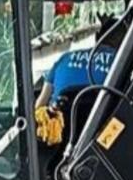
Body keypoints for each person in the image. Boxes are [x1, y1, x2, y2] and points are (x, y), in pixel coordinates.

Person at [34, 15, 127, 146]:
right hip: (100, 141)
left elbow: (39, 106)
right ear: (125, 42)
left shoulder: (65, 58)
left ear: (98, 37)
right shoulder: (122, 64)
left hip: (58, 138)